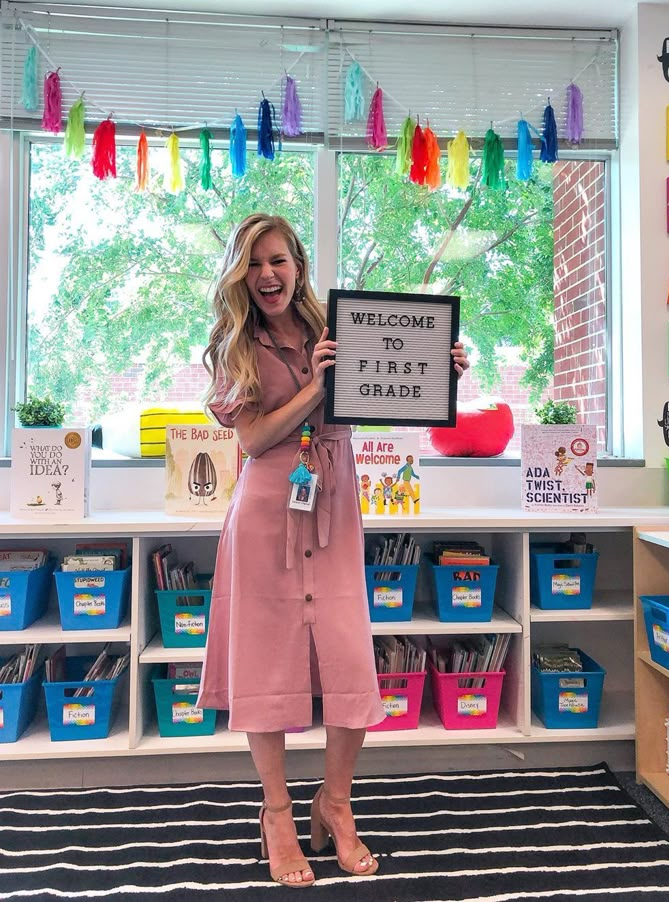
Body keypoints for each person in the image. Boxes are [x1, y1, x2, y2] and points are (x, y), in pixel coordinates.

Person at [197, 213, 469, 888]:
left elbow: (392, 388)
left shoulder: (336, 328)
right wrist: (318, 387)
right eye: (255, 263)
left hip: (335, 509)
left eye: (280, 260)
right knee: (265, 666)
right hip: (268, 514)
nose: (267, 274)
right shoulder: (234, 344)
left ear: (298, 267)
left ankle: (336, 805)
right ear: (241, 273)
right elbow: (255, 439)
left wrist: (443, 368)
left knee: (351, 662)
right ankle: (279, 814)